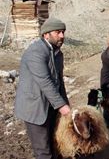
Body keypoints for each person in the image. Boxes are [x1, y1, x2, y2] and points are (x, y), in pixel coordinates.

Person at [14, 17, 71, 159]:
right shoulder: (36, 53)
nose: (62, 36)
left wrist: (65, 104)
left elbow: (59, 82)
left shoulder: (58, 53)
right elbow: (45, 82)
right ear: (46, 34)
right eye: (58, 32)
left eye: (63, 32)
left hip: (51, 106)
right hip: (35, 108)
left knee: (55, 144)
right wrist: (62, 106)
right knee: (43, 152)